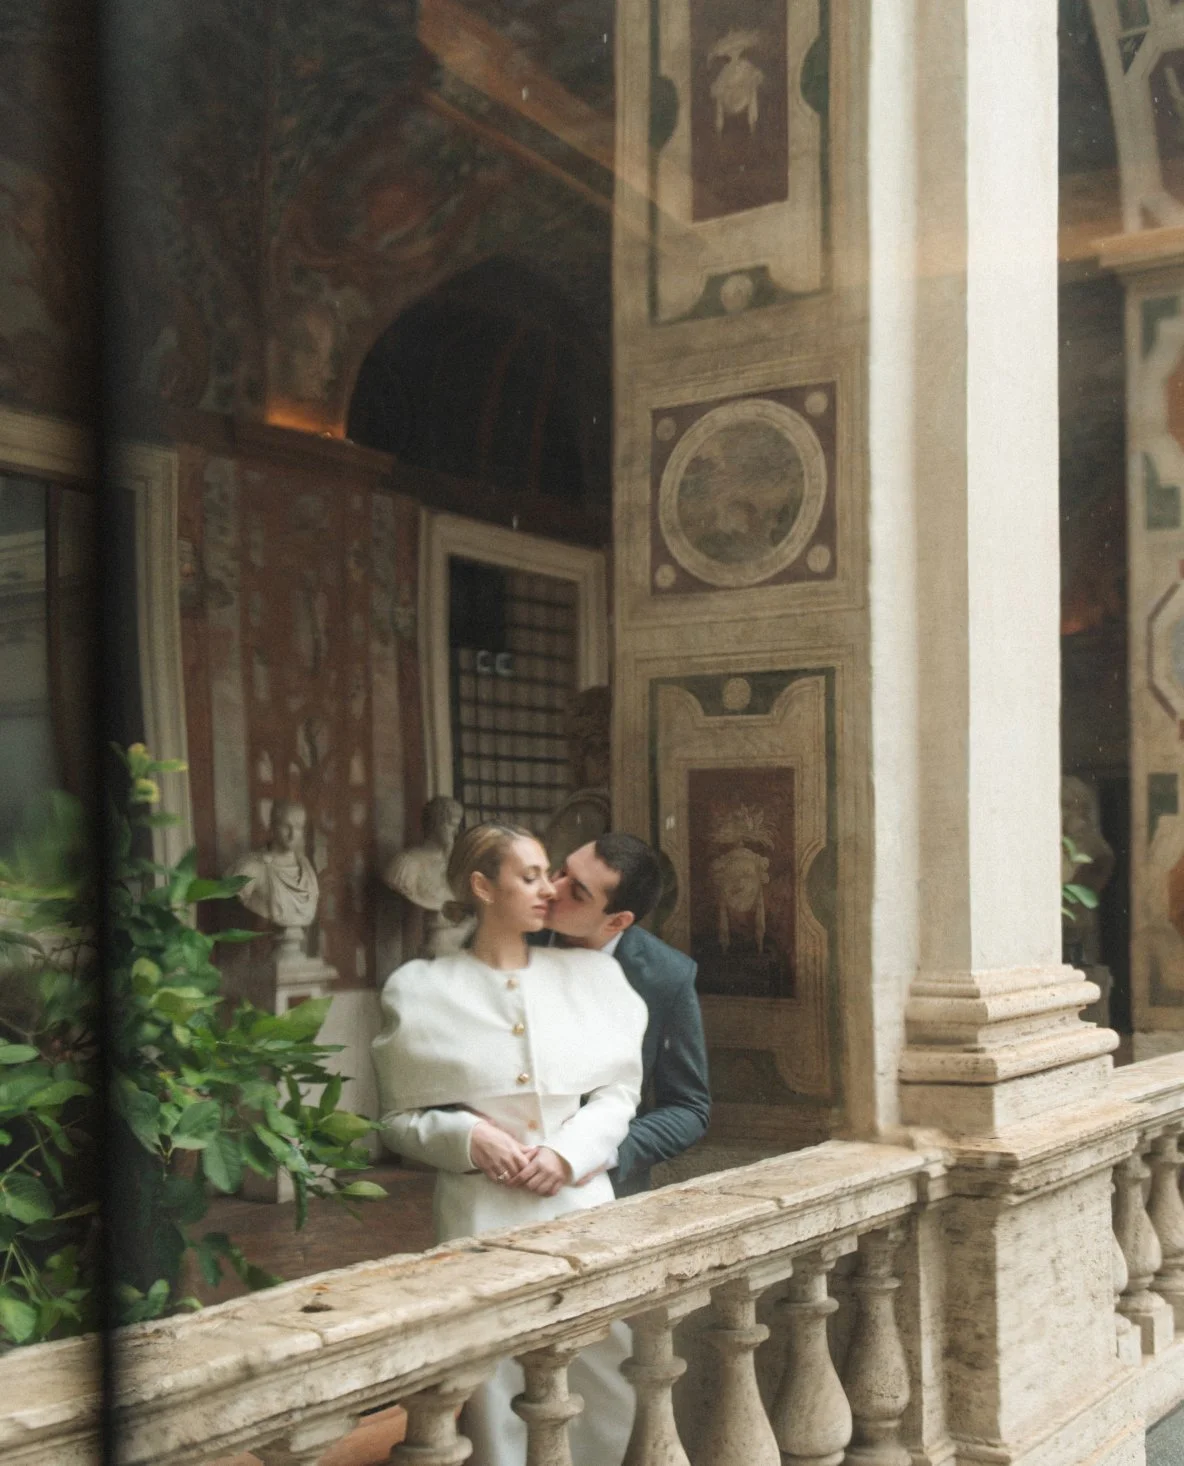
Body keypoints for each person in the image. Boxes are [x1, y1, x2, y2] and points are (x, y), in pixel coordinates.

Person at [372, 823, 648, 1466]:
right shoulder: (419, 989)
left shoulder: (593, 977)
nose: (549, 889)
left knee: (603, 1370)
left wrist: (568, 1153)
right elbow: (396, 1121)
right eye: (530, 876)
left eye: (550, 873)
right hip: (479, 1214)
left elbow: (619, 1093)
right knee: (494, 1383)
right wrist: (467, 1137)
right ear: (482, 886)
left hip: (580, 1209)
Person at [544, 833, 711, 1196]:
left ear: (617, 921)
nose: (552, 889)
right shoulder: (510, 937)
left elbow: (688, 1108)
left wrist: (602, 1153)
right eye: (560, 872)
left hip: (599, 1190)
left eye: (577, 892)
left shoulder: (667, 977)